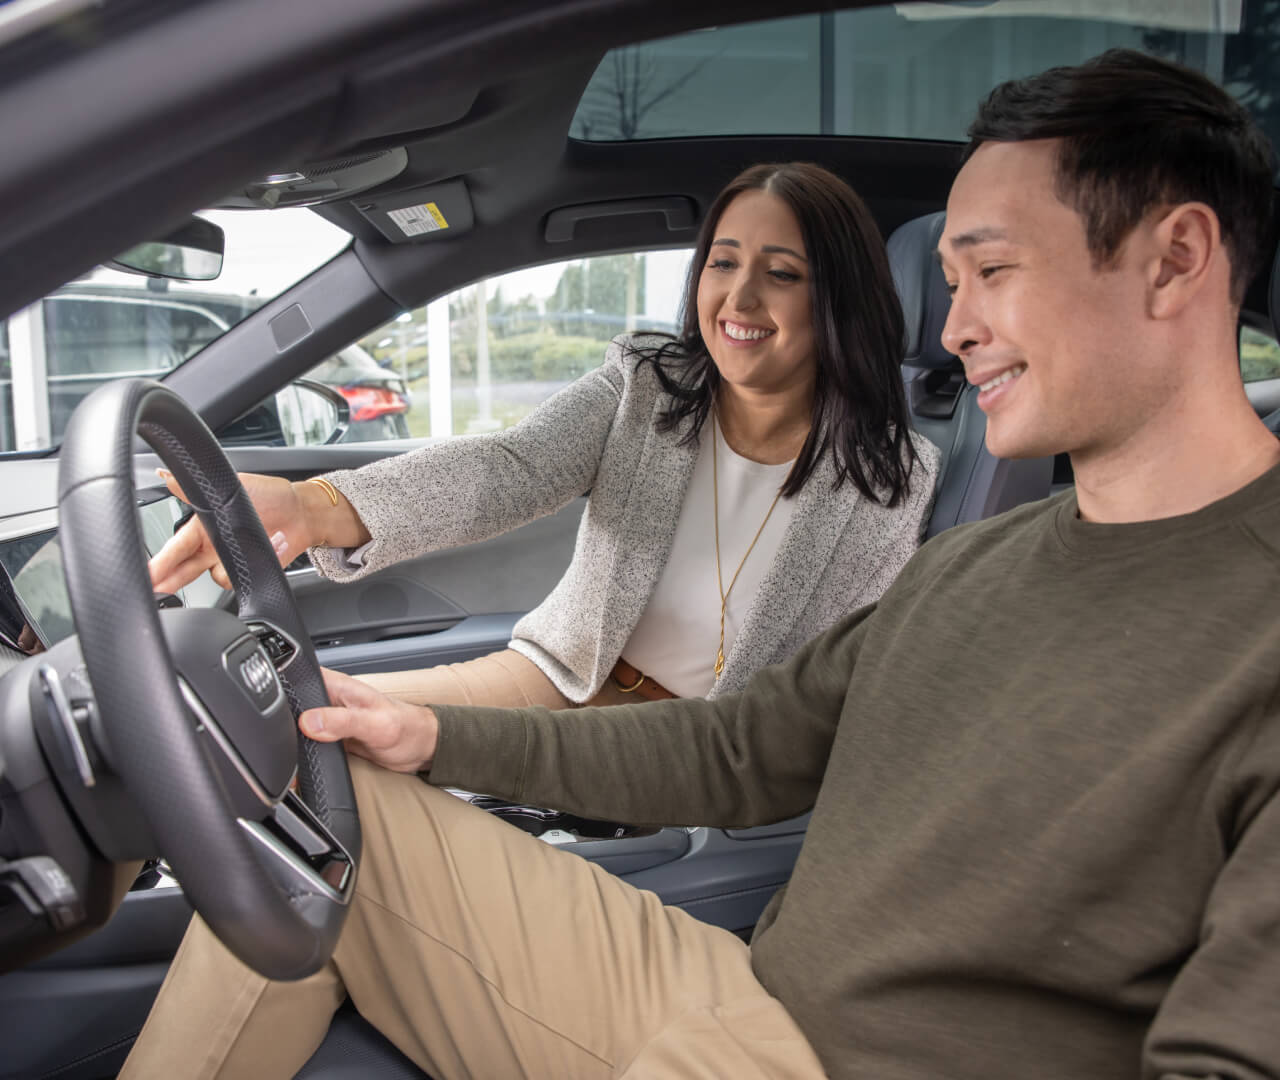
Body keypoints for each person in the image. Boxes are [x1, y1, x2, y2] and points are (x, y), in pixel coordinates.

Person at [125, 48, 1280, 1079]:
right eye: (954, 279)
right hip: (734, 990)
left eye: (990, 271)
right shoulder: (974, 565)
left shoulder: (1195, 607)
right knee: (333, 821)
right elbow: (744, 744)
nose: (955, 325)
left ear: (1173, 258)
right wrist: (428, 730)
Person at [150, 161, 938, 714]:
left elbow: (834, 693)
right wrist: (307, 505)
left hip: (699, 742)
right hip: (555, 677)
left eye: (783, 273)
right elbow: (508, 469)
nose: (739, 295)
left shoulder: (891, 479)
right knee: (301, 725)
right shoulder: (646, 386)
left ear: (838, 297)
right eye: (722, 263)